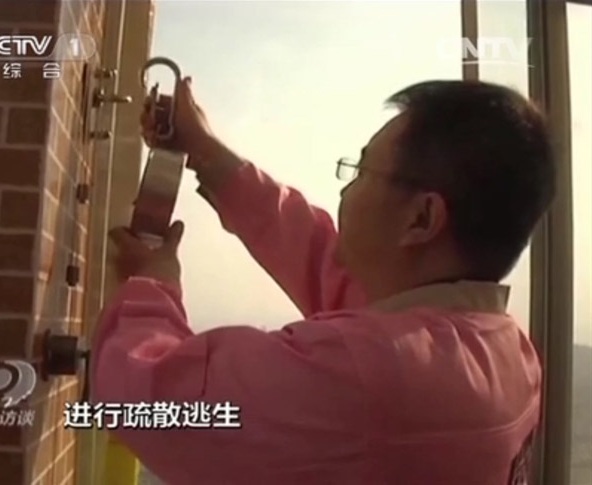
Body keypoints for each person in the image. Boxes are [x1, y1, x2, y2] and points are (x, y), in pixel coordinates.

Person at [91, 77, 555, 485]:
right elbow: (319, 258)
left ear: (422, 217)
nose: (345, 189)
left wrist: (152, 286)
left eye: (362, 171)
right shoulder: (508, 353)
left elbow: (146, 400)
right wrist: (206, 153)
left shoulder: (373, 378)